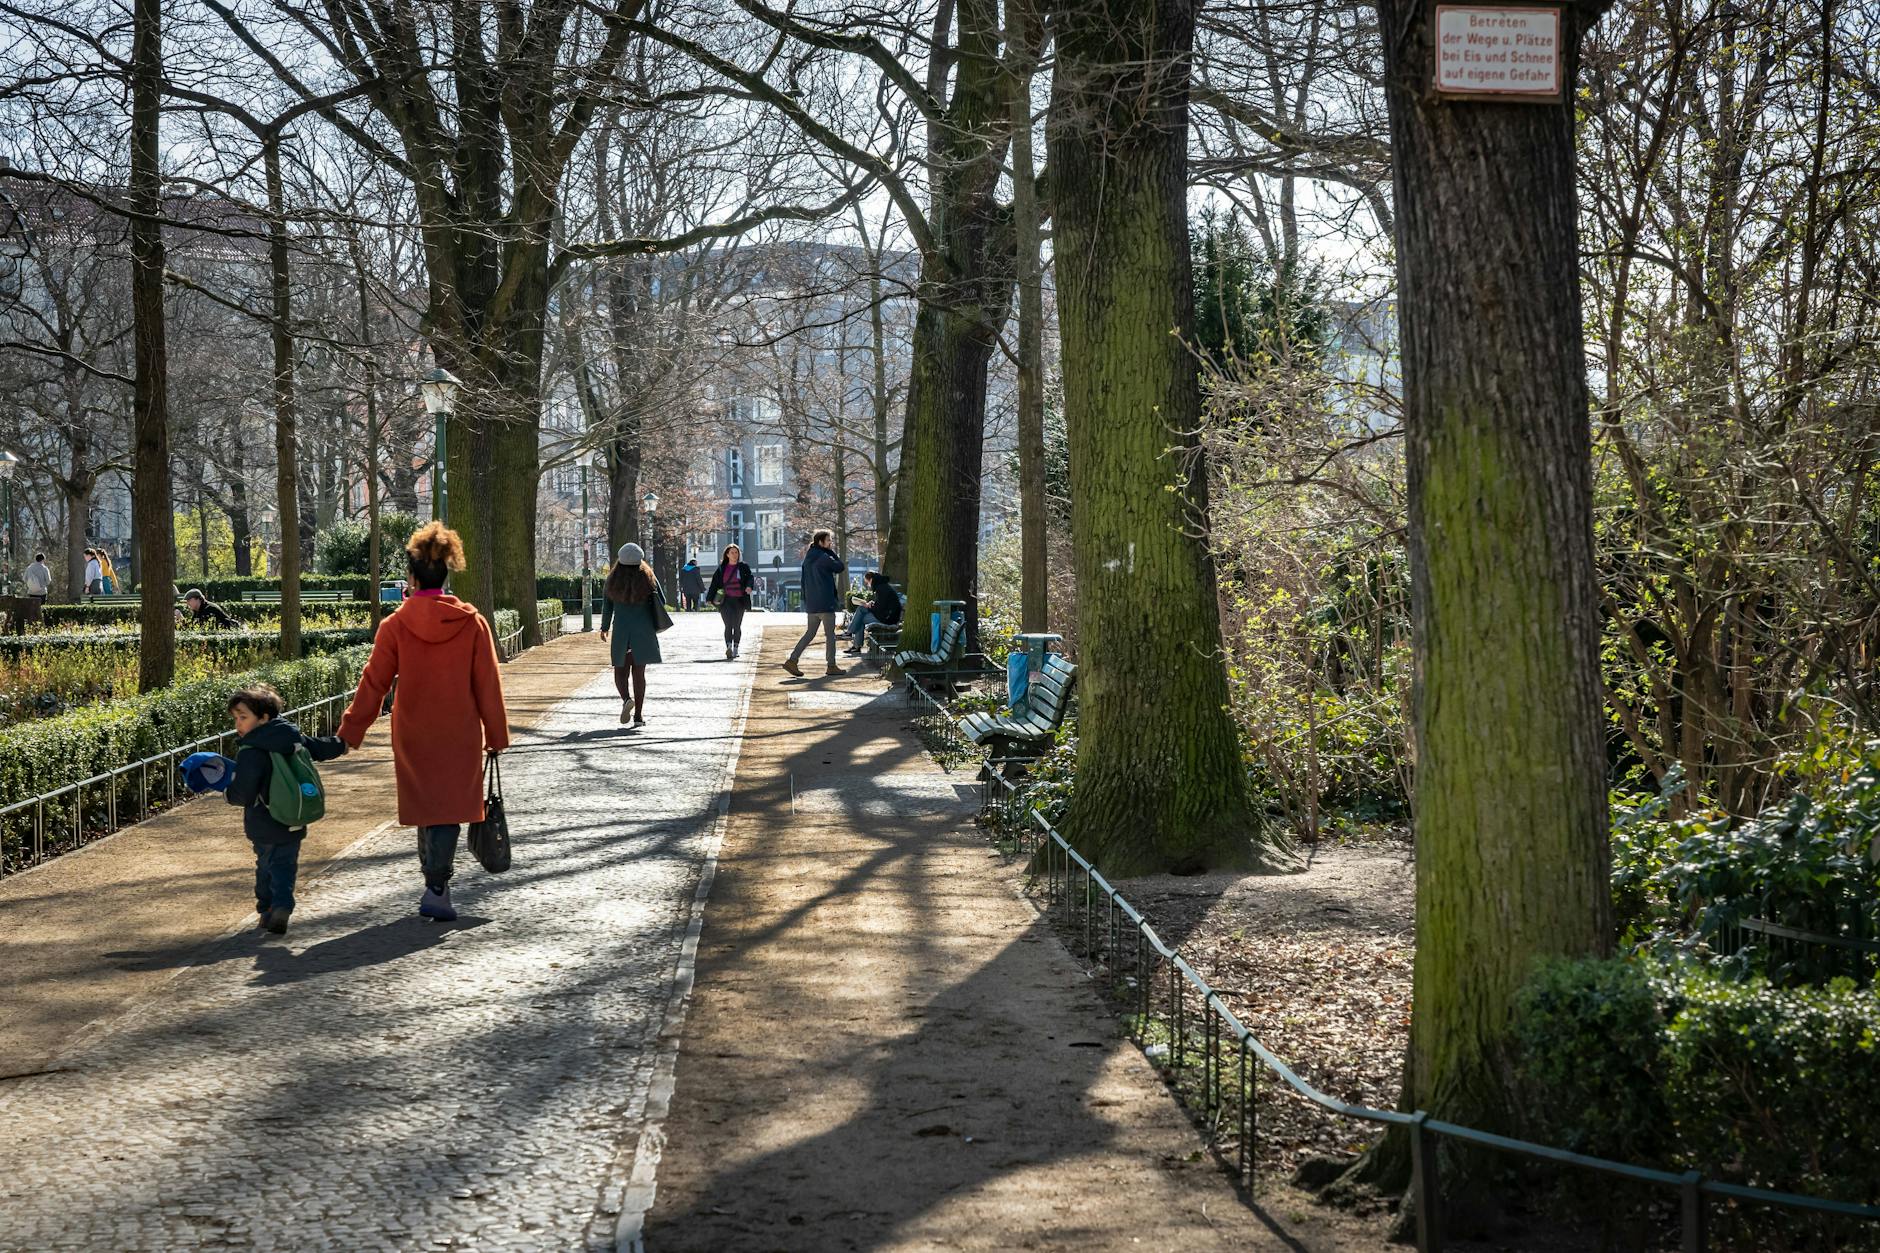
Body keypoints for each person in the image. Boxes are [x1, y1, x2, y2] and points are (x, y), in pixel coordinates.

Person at [338, 522, 510, 923]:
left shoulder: (395, 626)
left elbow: (374, 682)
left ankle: (433, 880)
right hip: (459, 729)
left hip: (413, 730)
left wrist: (350, 731)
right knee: (448, 807)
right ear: (446, 575)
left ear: (412, 579)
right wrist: (496, 734)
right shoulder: (472, 623)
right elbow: (487, 683)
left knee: (426, 805)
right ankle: (436, 886)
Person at [223, 682, 348, 936]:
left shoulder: (251, 750)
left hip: (263, 820)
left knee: (265, 865)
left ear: (263, 718)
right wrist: (342, 743)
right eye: (236, 718)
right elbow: (319, 747)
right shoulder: (292, 737)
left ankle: (268, 908)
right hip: (295, 814)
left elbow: (244, 793)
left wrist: (228, 794)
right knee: (285, 864)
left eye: (243, 717)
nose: (238, 724)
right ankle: (281, 905)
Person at [600, 542, 664, 726]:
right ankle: (638, 717)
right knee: (639, 673)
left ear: (620, 560)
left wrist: (604, 627)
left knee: (620, 671)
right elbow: (662, 600)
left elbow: (607, 606)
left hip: (622, 631)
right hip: (643, 631)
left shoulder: (612, 579)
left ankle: (627, 699)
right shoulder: (648, 577)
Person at [783, 528, 844, 678]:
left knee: (810, 634)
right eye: (828, 540)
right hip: (825, 602)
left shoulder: (808, 558)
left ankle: (792, 660)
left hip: (812, 604)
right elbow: (840, 567)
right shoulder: (824, 557)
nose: (830, 543)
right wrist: (830, 552)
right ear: (821, 542)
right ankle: (831, 665)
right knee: (830, 635)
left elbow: (803, 581)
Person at [706, 543, 754, 661]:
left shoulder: (743, 567)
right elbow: (714, 584)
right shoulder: (721, 568)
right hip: (725, 601)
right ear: (727, 554)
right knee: (728, 625)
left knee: (737, 625)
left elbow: (750, 577)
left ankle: (736, 648)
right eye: (732, 552)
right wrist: (709, 598)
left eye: (736, 552)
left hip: (739, 600)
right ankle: (728, 647)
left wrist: (749, 586)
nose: (734, 555)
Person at [840, 570, 903, 655]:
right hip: (886, 615)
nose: (867, 585)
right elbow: (881, 605)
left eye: (867, 582)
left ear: (871, 580)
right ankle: (851, 636)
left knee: (860, 618)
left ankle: (853, 639)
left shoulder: (881, 589)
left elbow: (880, 609)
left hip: (887, 619)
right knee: (861, 609)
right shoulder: (882, 587)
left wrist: (870, 606)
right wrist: (872, 604)